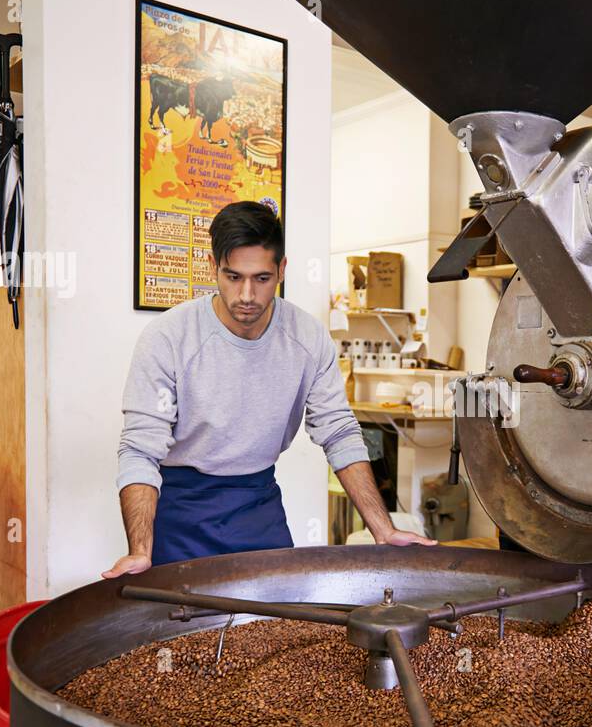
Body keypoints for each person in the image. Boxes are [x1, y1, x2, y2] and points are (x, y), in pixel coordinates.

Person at [103, 200, 433, 577]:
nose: (246, 295)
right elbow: (139, 449)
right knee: (184, 629)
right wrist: (141, 551)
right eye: (232, 277)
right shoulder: (168, 338)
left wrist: (383, 528)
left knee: (272, 627)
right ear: (212, 268)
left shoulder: (307, 338)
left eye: (261, 278)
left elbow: (339, 432)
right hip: (182, 512)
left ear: (281, 270)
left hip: (258, 506)